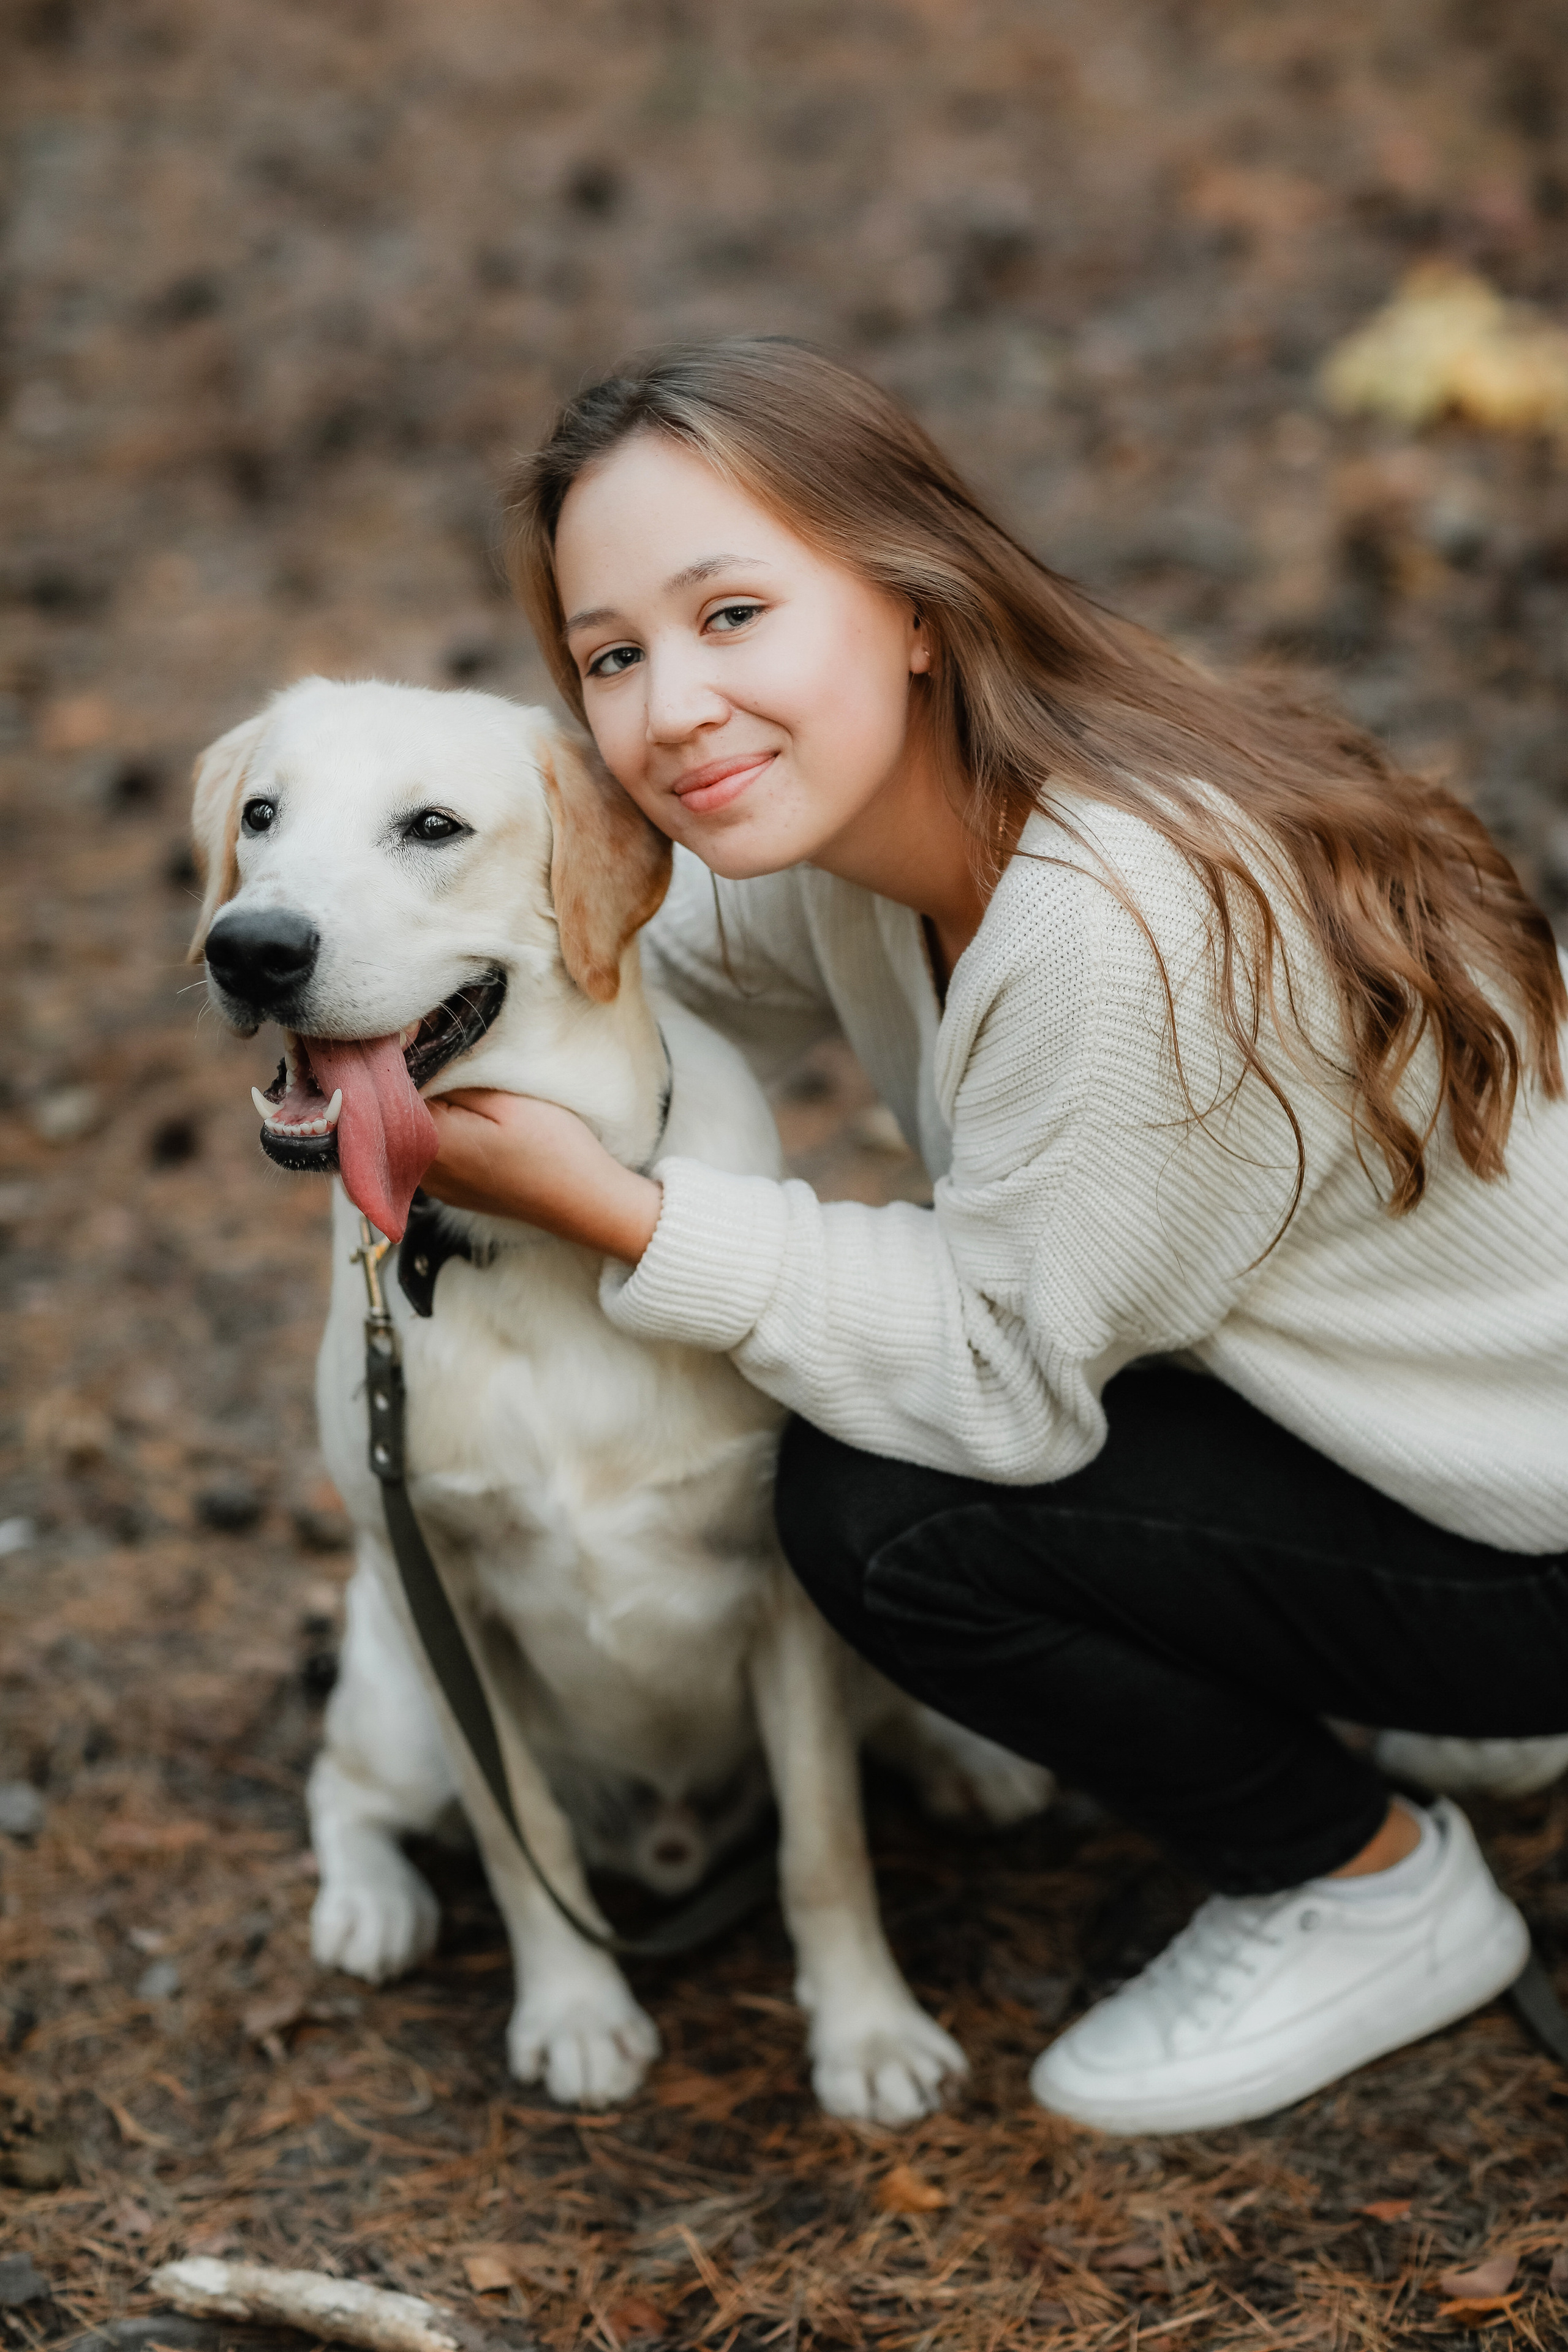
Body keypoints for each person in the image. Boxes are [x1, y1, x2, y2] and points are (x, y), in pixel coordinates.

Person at [420, 337, 1568, 2135]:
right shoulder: (882, 827)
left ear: (916, 601)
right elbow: (621, 957)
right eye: (614, 657)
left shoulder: (1118, 923)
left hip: (1541, 1529)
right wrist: (385, 955)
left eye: (735, 614)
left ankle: (1362, 1883)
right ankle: (1432, 1661)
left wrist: (611, 1208)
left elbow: (1006, 1381)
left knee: (888, 1516)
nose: (674, 709)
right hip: (1481, 1428)